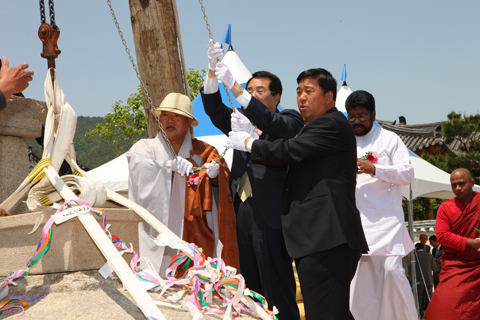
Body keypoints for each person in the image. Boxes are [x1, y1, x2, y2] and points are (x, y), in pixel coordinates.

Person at [225, 68, 368, 320]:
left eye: (309, 91)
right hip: (316, 239)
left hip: (327, 237)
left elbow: (290, 149)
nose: (301, 97)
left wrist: (249, 143)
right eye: (299, 91)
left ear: (329, 97)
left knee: (324, 314)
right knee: (329, 312)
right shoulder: (311, 127)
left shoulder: (331, 123)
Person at [200, 41, 303, 319]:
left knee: (277, 287)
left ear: (277, 96)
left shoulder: (290, 119)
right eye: (250, 90)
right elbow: (212, 108)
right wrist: (211, 72)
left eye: (260, 91)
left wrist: (236, 90)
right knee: (248, 287)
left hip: (272, 216)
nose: (252, 95)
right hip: (241, 212)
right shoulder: (240, 120)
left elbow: (279, 128)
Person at [127, 92, 239, 276]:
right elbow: (138, 166)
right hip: (157, 232)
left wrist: (215, 176)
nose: (170, 120)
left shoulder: (205, 152)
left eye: (177, 115)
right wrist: (168, 166)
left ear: (189, 122)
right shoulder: (145, 148)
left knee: (196, 283)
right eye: (165, 115)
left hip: (196, 233)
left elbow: (223, 178)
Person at [346, 90, 417, 320]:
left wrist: (375, 169)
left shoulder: (390, 139)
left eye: (362, 116)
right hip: (355, 223)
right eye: (352, 116)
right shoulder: (343, 139)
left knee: (392, 275)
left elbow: (407, 173)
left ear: (373, 114)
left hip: (386, 224)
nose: (357, 121)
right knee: (359, 286)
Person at [425, 168, 480, 320]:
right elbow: (443, 236)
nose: (457, 188)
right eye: (453, 185)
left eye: (462, 184)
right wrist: (474, 244)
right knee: (441, 309)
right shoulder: (445, 207)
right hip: (456, 265)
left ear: (472, 183)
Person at [415, 242, 434, 319]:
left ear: (416, 249)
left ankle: (420, 314)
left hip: (419, 281)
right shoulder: (430, 256)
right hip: (429, 279)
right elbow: (434, 268)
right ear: (423, 248)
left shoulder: (415, 257)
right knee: (429, 296)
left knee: (420, 297)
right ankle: (430, 313)